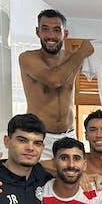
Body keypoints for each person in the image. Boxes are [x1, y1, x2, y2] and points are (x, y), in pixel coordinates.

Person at [18, 10, 93, 160]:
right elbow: (54, 80)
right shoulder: (27, 58)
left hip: (69, 135)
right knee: (37, 182)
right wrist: (80, 53)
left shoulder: (73, 58)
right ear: (37, 32)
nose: (51, 36)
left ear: (65, 34)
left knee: (72, 181)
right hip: (38, 136)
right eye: (45, 29)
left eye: (57, 30)